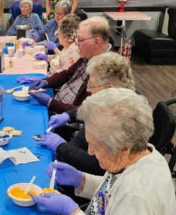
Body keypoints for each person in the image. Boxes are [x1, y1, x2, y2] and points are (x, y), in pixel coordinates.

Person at [32, 88, 176, 215]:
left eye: (96, 147)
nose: (90, 152)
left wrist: (72, 211)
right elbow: (112, 190)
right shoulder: (137, 153)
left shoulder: (136, 198)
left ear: (123, 148)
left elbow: (123, 195)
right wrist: (81, 180)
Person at [37, 52, 136, 202]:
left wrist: (61, 146)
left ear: (108, 88)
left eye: (91, 85)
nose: (88, 90)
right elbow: (108, 187)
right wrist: (69, 115)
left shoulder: (120, 122)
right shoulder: (110, 103)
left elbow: (96, 165)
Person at [29, 16, 111, 113]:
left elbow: (85, 112)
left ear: (97, 41)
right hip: (59, 104)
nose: (76, 44)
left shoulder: (109, 68)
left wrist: (51, 103)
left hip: (65, 117)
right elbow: (68, 73)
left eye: (80, 39)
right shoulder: (89, 55)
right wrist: (46, 82)